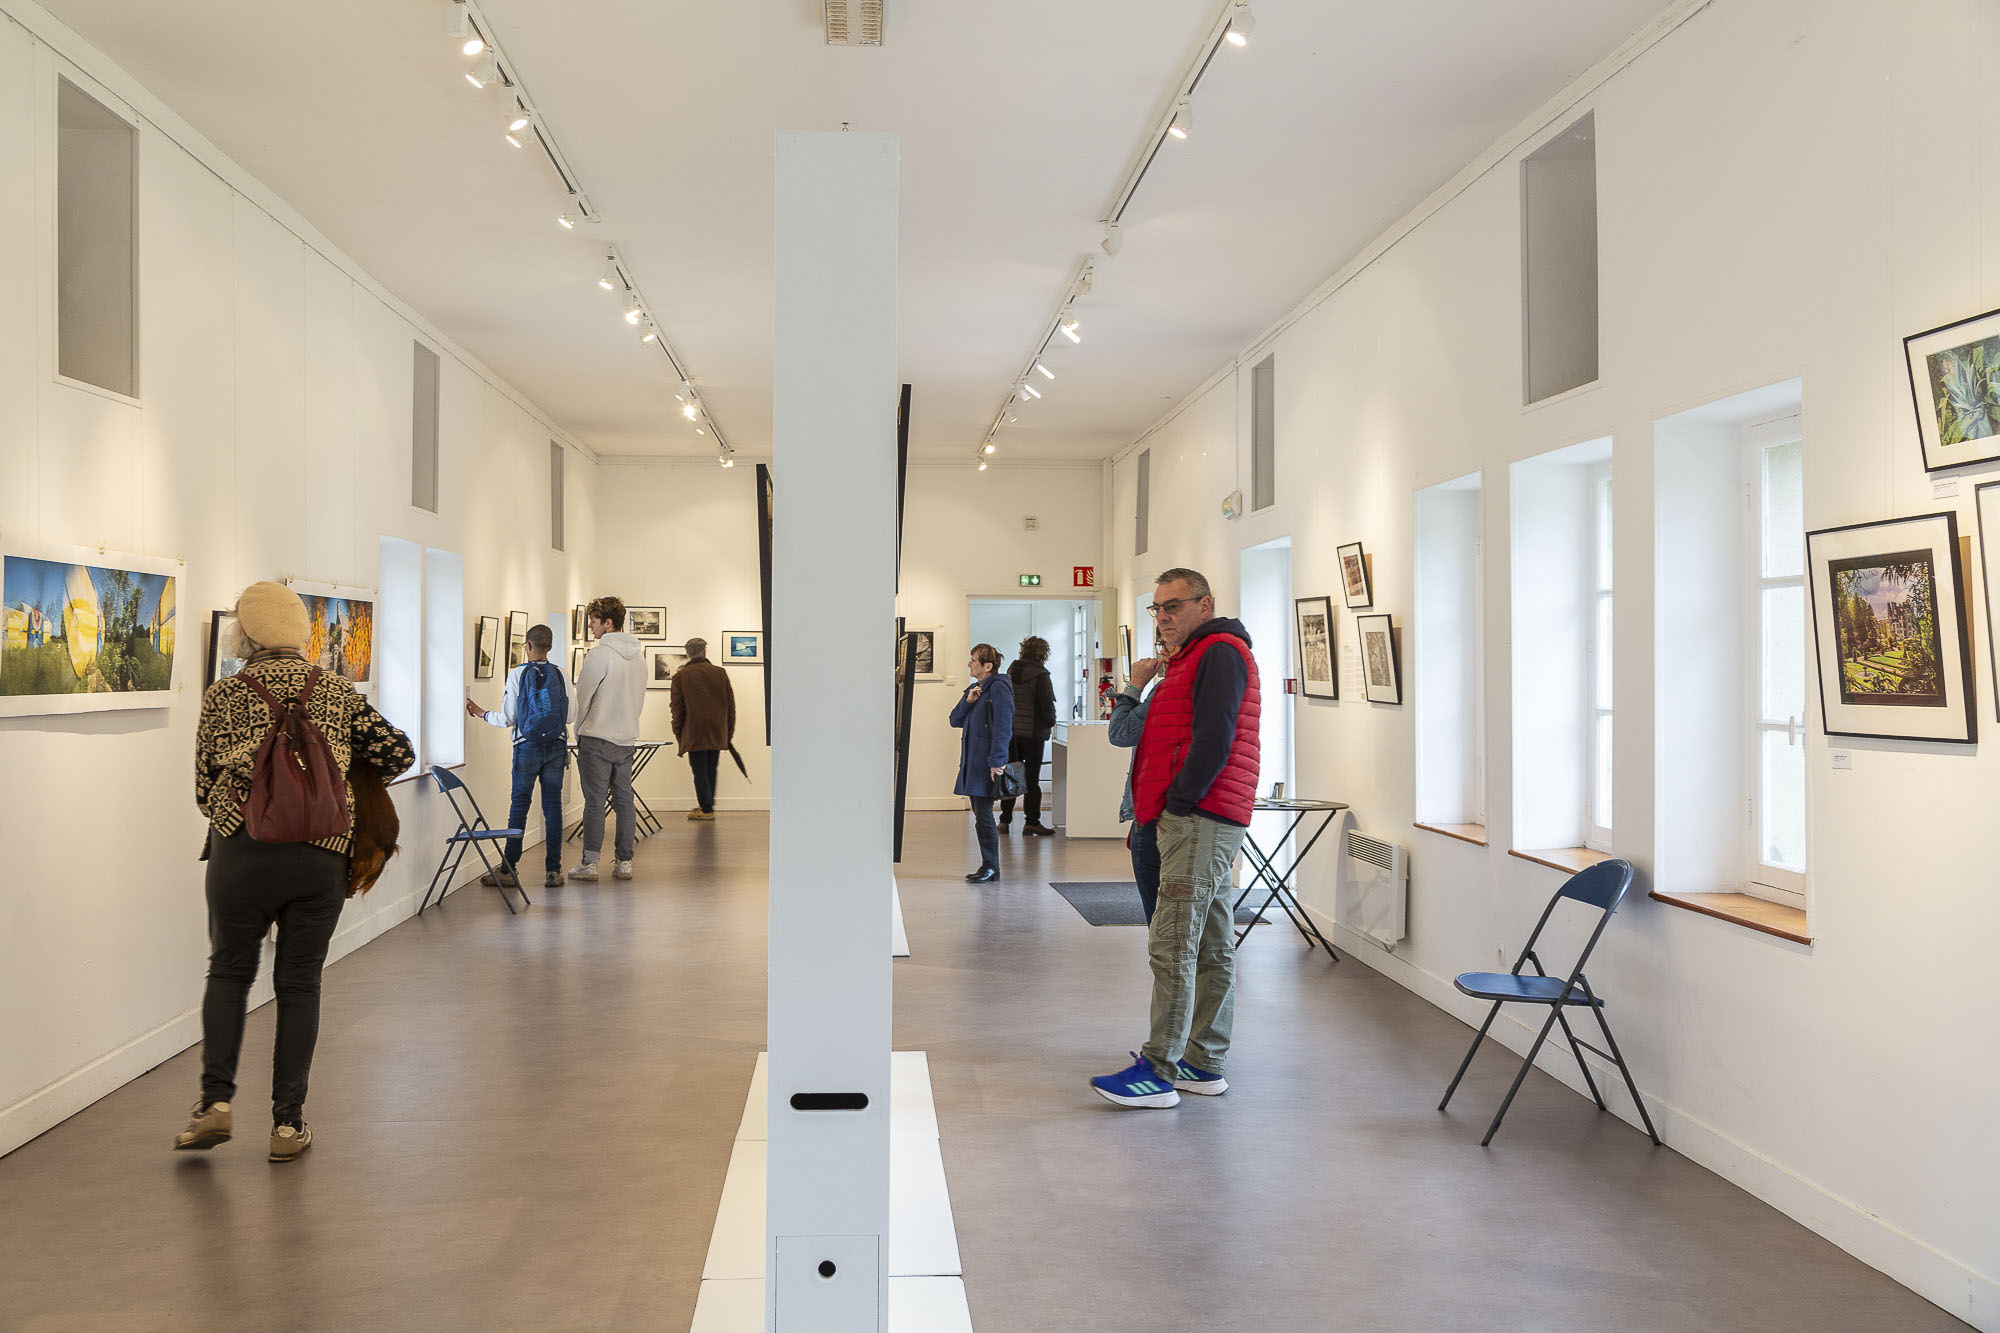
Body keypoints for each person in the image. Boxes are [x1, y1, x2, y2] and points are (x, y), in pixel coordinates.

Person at [178, 581, 414, 1161]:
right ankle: (288, 1125)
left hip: (241, 855)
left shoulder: (224, 695)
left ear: (245, 635)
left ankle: (214, 1103)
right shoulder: (335, 690)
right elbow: (399, 753)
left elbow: (205, 790)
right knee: (299, 984)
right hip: (320, 855)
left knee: (230, 974)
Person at [1091, 568, 1260, 1109]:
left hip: (1199, 819)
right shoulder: (1191, 658)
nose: (1163, 618)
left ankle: (1158, 1070)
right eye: (1157, 609)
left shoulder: (1219, 653)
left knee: (1173, 945)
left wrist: (1180, 803)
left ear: (1204, 604)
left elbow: (1215, 737)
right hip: (1195, 818)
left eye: (1174, 607)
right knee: (1209, 943)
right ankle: (1203, 1061)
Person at [465, 621, 569, 890]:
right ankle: (554, 871)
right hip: (556, 747)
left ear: (527, 646)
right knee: (553, 808)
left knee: (519, 806)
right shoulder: (562, 674)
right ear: (550, 646)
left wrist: (482, 713)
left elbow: (509, 718)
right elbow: (571, 715)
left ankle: (509, 869)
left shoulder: (517, 674)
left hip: (526, 747)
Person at [569, 596, 647, 882]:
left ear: (608, 622)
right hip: (626, 739)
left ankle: (590, 863)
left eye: (594, 620)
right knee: (625, 800)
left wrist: (578, 730)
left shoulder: (599, 656)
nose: (590, 625)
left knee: (594, 801)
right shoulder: (638, 658)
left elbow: (583, 699)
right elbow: (639, 699)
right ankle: (624, 862)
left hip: (597, 739)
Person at [1108, 647, 1171, 922]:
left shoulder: (1169, 690)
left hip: (1159, 811)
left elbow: (1120, 733)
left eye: (1167, 646)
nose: (1160, 654)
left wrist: (1134, 685)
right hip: (1172, 810)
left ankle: (1171, 966)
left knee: (1161, 917)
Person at [949, 642, 1015, 883]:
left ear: (987, 666)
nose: (969, 663)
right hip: (972, 762)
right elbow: (954, 720)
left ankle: (990, 866)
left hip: (986, 764)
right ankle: (989, 865)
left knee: (984, 816)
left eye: (973, 660)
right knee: (981, 815)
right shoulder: (977, 688)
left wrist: (997, 761)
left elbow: (1003, 727)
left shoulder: (999, 689)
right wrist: (969, 700)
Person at [998, 635, 1058, 836]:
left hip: (1011, 733)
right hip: (1033, 734)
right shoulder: (1041, 675)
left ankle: (1004, 821)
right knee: (1031, 781)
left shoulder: (1011, 671)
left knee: (1011, 776)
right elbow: (1046, 705)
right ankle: (1032, 822)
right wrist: (1050, 723)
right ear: (1043, 653)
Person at [671, 636, 735, 821]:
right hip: (716, 731)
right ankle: (707, 804)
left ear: (688, 654)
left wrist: (679, 734)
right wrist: (727, 734)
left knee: (699, 771)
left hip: (694, 732)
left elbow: (677, 710)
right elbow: (730, 706)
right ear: (704, 651)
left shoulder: (681, 676)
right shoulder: (719, 673)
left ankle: (706, 809)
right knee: (711, 769)